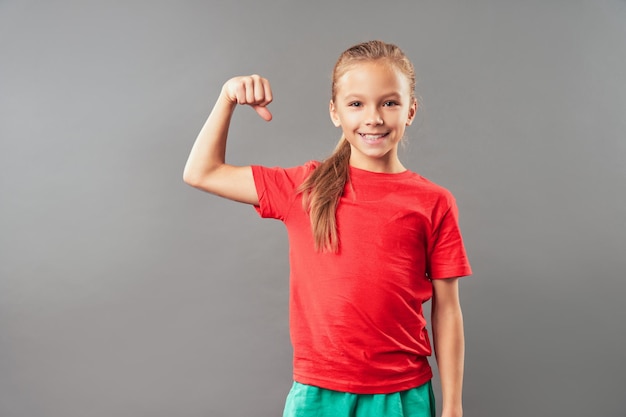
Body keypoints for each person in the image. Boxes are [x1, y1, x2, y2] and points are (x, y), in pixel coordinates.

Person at [183, 40, 472, 417]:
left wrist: (453, 406)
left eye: (389, 102)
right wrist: (226, 99)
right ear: (334, 112)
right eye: (356, 104)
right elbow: (200, 171)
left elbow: (447, 310)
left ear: (411, 110)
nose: (373, 118)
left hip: (402, 395)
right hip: (318, 394)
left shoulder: (434, 202)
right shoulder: (304, 186)